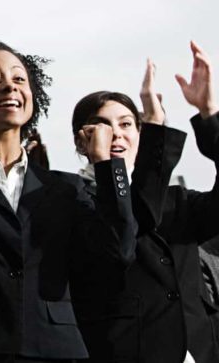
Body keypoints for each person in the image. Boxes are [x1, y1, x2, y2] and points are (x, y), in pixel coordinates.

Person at [0, 39, 137, 362]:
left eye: (19, 79)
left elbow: (119, 251)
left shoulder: (66, 188)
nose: (10, 86)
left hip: (52, 348)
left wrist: (105, 165)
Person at [70, 47, 219, 363]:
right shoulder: (72, 199)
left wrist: (210, 116)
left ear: (141, 136)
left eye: (127, 124)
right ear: (81, 139)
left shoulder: (178, 202)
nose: (117, 134)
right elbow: (124, 228)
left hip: (199, 350)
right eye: (103, 125)